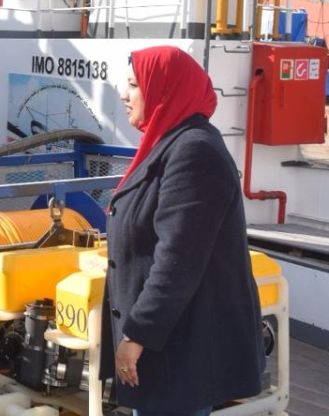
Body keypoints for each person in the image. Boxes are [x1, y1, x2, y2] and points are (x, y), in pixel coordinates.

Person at [102, 46, 264, 416]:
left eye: (133, 85)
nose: (124, 95)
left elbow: (177, 261)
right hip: (172, 346)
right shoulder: (170, 143)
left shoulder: (193, 153)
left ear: (165, 89)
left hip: (184, 351)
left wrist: (136, 334)